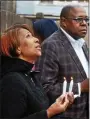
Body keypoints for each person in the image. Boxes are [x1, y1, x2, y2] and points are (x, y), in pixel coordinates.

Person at [0, 24, 74, 119]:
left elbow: (37, 109)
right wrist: (49, 113)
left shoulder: (30, 76)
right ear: (18, 48)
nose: (36, 39)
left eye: (32, 35)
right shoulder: (12, 80)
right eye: (28, 36)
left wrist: (59, 105)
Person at [35, 5, 89, 119]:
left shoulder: (82, 44)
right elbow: (43, 88)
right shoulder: (51, 45)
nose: (84, 23)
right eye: (79, 19)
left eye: (86, 19)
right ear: (63, 22)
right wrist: (80, 87)